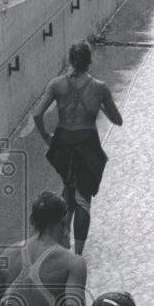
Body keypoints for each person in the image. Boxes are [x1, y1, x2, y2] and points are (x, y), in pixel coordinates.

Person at [33, 42, 123, 255]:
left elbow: (37, 115)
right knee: (83, 198)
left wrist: (47, 137)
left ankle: (61, 243)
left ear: (70, 61)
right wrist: (100, 105)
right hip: (87, 143)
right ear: (89, 61)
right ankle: (77, 253)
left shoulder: (56, 85)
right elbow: (117, 120)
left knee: (68, 190)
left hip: (63, 142)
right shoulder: (99, 88)